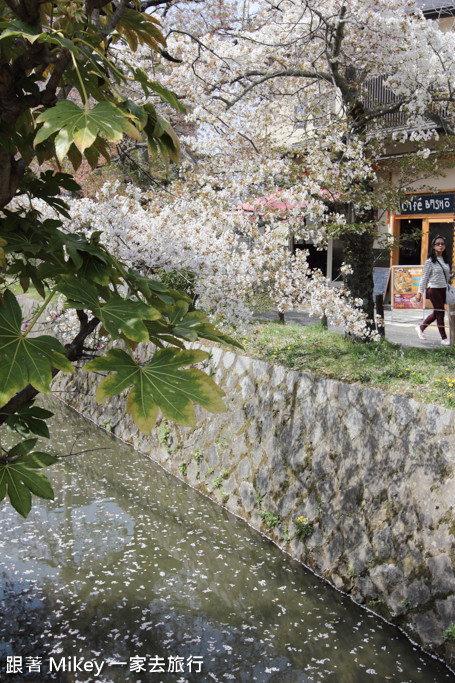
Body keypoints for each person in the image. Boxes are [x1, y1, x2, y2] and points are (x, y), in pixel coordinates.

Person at [415, 235, 452, 346]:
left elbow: (445, 276)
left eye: (442, 244)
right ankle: (444, 338)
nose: (440, 246)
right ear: (434, 246)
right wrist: (419, 292)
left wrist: (451, 275)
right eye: (438, 244)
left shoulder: (445, 260)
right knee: (440, 312)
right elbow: (424, 277)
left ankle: (421, 327)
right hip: (434, 289)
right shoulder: (430, 261)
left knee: (437, 312)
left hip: (443, 289)